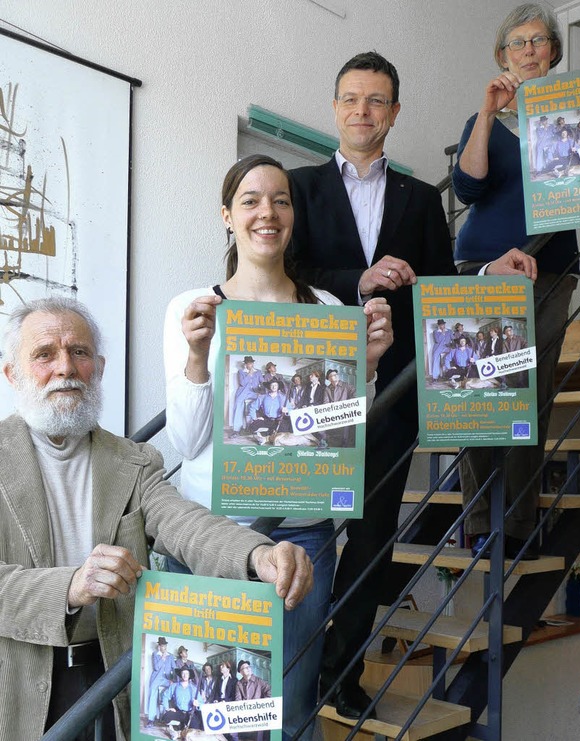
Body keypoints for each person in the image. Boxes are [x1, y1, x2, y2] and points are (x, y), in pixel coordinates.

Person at [287, 49, 537, 720]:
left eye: (375, 100)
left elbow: (436, 289)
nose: (361, 111)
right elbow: (284, 274)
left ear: (394, 113)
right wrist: (358, 282)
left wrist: (488, 276)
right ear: (335, 106)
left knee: (371, 542)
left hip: (394, 393)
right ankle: (291, 672)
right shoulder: (296, 188)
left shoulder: (423, 198)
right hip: (310, 393)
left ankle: (340, 674)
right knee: (301, 538)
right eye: (350, 98)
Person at [0, 297, 313, 741]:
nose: (66, 367)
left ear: (100, 367)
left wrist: (258, 554)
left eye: (80, 352)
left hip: (115, 673)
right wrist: (71, 585)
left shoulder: (135, 460)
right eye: (44, 354)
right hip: (20, 679)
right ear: (13, 373)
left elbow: (184, 522)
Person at [163, 154, 393, 740]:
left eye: (281, 200)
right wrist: (196, 357)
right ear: (227, 216)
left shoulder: (329, 312)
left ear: (293, 215)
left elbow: (343, 437)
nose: (268, 212)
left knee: (289, 710)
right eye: (251, 200)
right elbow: (187, 443)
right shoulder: (192, 309)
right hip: (213, 536)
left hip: (300, 538)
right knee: (213, 722)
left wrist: (365, 368)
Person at [452, 2, 580, 561]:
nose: (529, 50)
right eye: (517, 42)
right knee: (477, 393)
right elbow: (468, 188)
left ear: (554, 52)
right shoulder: (481, 120)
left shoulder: (577, 112)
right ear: (502, 55)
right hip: (484, 265)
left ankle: (520, 521)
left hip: (549, 266)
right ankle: (481, 520)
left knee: (531, 394)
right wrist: (488, 113)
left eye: (538, 41)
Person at [161, 667, 200, 737]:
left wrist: (197, 704)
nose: (185, 675)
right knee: (166, 717)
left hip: (189, 714)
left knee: (196, 728)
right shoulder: (174, 686)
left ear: (189, 675)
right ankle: (179, 727)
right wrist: (167, 708)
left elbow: (201, 703)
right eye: (183, 673)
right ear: (180, 675)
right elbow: (165, 696)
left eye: (187, 673)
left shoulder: (194, 689)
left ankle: (182, 730)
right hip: (178, 712)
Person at [147, 637, 176, 727]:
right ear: (159, 646)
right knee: (152, 694)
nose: (165, 647)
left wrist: (173, 679)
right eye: (163, 646)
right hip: (156, 678)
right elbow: (156, 667)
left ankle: (166, 718)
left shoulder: (170, 656)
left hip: (167, 679)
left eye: (165, 645)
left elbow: (174, 668)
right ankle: (151, 719)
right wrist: (162, 657)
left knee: (172, 690)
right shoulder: (155, 654)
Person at [232, 355, 263, 436]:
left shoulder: (258, 372)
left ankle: (256, 427)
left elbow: (262, 383)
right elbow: (242, 383)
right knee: (238, 405)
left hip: (254, 392)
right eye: (249, 363)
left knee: (262, 400)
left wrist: (261, 391)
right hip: (243, 392)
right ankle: (236, 430)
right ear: (245, 364)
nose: (251, 365)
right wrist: (249, 374)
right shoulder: (241, 372)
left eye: (252, 363)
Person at [249, 379, 288, 444]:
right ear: (269, 386)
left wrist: (286, 410)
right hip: (266, 419)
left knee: (284, 431)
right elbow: (252, 407)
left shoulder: (283, 397)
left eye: (275, 385)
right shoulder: (262, 397)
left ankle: (266, 438)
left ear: (278, 387)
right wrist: (255, 417)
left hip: (278, 420)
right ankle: (266, 438)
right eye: (272, 385)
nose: (274, 387)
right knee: (252, 426)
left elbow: (290, 409)